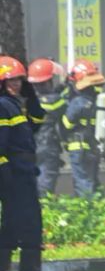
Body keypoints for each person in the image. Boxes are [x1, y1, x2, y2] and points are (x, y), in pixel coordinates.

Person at [0, 56, 46, 271]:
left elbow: (37, 123)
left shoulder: (15, 104)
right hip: (15, 176)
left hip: (24, 174)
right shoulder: (2, 105)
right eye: (10, 80)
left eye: (18, 80)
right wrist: (5, 172)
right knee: (29, 226)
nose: (15, 84)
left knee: (12, 226)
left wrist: (31, 95)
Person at [62, 59, 105, 196]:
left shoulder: (77, 102)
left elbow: (66, 124)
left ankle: (88, 210)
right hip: (94, 147)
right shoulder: (97, 101)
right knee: (92, 180)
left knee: (82, 182)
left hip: (78, 147)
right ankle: (101, 207)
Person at [27, 58, 67, 197]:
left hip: (29, 148)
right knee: (45, 186)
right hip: (47, 147)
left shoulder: (26, 101)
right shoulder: (55, 101)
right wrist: (66, 89)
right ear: (48, 81)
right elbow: (61, 106)